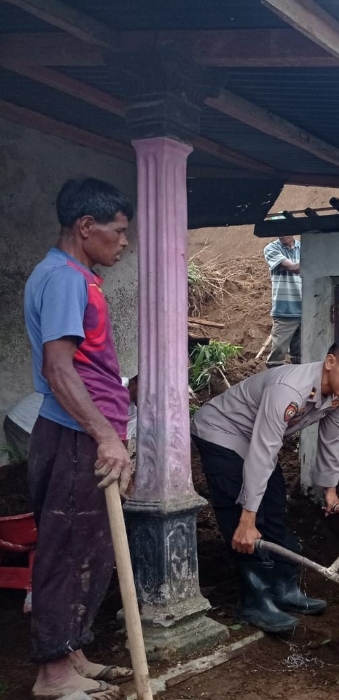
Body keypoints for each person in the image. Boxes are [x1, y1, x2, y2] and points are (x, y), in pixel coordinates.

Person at [23, 177, 135, 700]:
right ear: (85, 227)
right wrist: (105, 437)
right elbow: (59, 368)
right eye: (118, 231)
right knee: (65, 553)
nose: (125, 242)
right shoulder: (65, 279)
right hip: (75, 436)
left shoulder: (73, 276)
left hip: (82, 434)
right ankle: (53, 675)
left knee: (87, 548)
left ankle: (73, 654)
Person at [191, 337, 339, 633]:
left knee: (274, 504)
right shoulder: (290, 390)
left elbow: (332, 438)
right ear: (330, 363)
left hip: (256, 436)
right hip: (221, 431)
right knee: (244, 513)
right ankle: (254, 600)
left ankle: (283, 588)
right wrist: (248, 516)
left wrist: (329, 489)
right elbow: (264, 450)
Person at [4, 378, 138, 463]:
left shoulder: (135, 411)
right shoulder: (110, 386)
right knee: (39, 475)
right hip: (25, 423)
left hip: (45, 429)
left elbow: (121, 444)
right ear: (134, 383)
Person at [263, 235, 302, 368]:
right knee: (278, 353)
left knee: (300, 355)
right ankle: (273, 384)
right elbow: (294, 268)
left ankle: (298, 384)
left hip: (306, 309)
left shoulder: (304, 247)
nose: (282, 234)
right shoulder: (272, 248)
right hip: (284, 310)